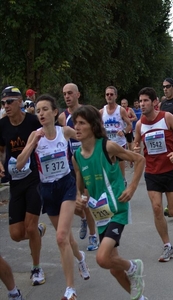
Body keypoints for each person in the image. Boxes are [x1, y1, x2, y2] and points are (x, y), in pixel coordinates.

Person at [16, 94, 90, 300]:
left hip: (66, 185)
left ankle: (70, 289)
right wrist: (32, 145)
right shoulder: (34, 135)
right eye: (38, 110)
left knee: (60, 237)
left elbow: (87, 137)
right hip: (47, 190)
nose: (41, 113)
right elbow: (20, 164)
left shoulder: (63, 131)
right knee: (67, 239)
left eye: (45, 109)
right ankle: (80, 257)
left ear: (54, 112)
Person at [72, 105, 147, 300]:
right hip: (101, 213)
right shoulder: (77, 156)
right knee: (113, 268)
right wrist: (79, 200)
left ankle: (133, 266)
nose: (77, 127)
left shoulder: (107, 146)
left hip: (117, 209)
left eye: (82, 123)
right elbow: (81, 189)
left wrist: (131, 188)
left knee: (102, 258)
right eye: (75, 123)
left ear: (93, 126)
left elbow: (139, 160)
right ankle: (140, 298)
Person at [133, 87, 173, 263]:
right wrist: (134, 149)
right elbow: (135, 144)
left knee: (172, 213)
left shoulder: (166, 118)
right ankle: (167, 246)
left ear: (155, 102)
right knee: (157, 208)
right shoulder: (140, 124)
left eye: (145, 101)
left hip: (169, 170)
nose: (142, 104)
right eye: (140, 101)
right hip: (152, 172)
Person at [0, 86, 46, 287]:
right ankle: (38, 230)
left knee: (29, 226)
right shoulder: (2, 125)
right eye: (3, 103)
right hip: (15, 181)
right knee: (16, 234)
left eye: (9, 102)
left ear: (20, 102)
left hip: (35, 179)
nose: (6, 106)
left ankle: (36, 268)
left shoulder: (33, 122)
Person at [58, 83, 99, 251]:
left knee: (86, 201)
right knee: (76, 205)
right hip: (71, 165)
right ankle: (82, 218)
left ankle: (93, 236)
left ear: (77, 95)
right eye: (64, 94)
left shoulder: (88, 112)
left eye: (70, 93)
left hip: (87, 163)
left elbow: (98, 134)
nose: (66, 96)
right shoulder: (62, 117)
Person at [99, 86, 132, 184]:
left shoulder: (121, 110)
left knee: (120, 166)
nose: (109, 96)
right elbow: (97, 127)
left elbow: (129, 125)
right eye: (107, 94)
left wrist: (124, 131)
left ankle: (123, 181)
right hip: (107, 144)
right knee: (108, 168)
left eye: (111, 94)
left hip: (119, 143)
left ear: (116, 96)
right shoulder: (101, 111)